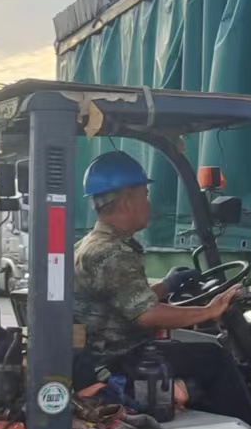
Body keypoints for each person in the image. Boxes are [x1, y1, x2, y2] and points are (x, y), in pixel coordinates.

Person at [75, 151, 237, 364]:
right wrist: (208, 311)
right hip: (120, 357)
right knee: (216, 358)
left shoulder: (92, 244)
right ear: (126, 201)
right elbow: (148, 314)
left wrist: (167, 285)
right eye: (145, 195)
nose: (149, 204)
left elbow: (124, 298)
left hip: (110, 352)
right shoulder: (112, 253)